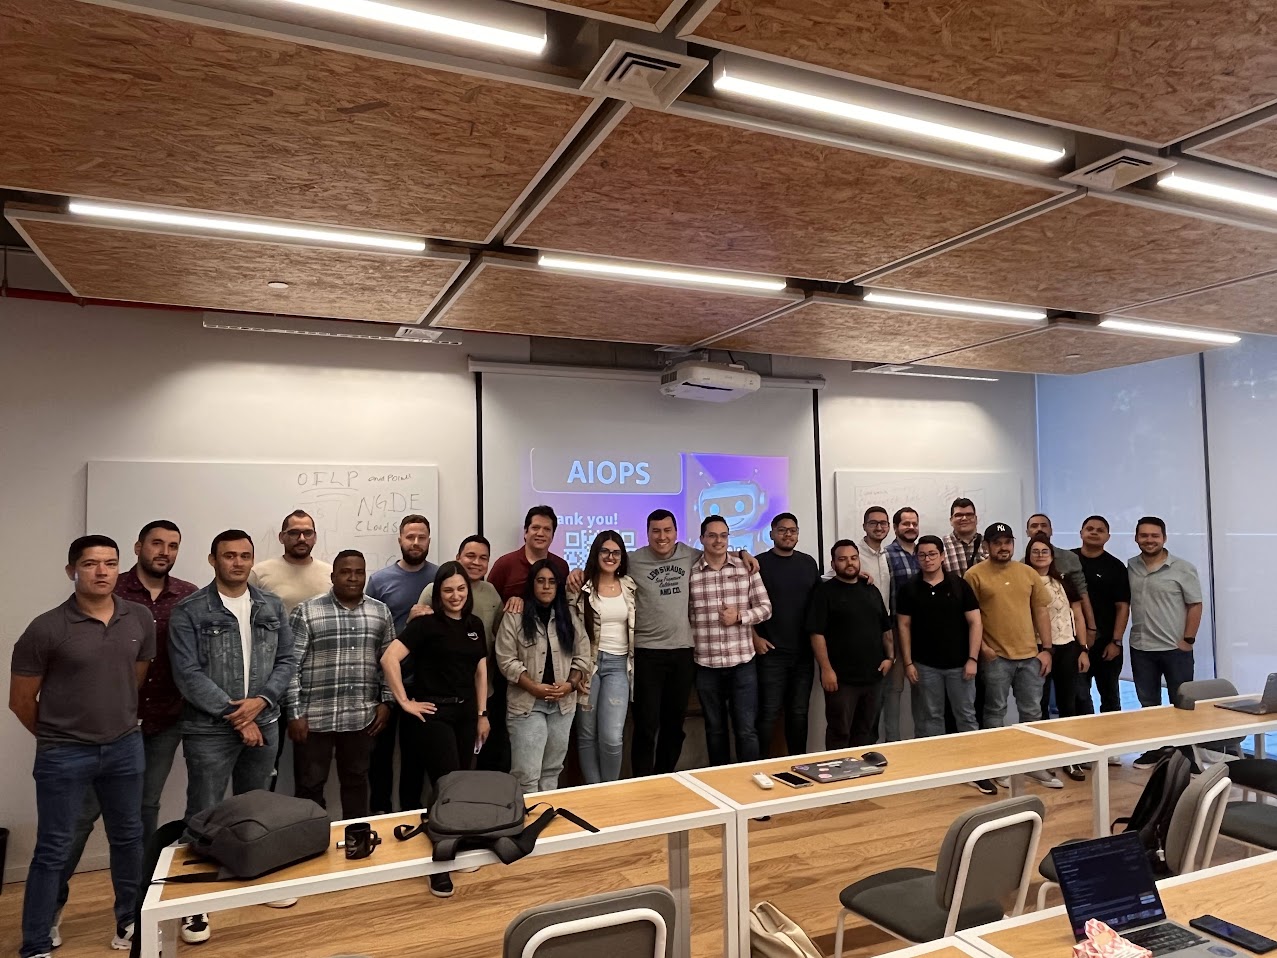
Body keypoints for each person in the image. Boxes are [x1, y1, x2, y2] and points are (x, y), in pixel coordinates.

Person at [11, 535, 156, 958]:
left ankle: (129, 920)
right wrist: (59, 738)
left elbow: (134, 678)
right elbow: (21, 701)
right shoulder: (46, 628)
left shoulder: (139, 617)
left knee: (129, 838)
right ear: (72, 570)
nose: (101, 572)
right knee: (53, 848)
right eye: (91, 564)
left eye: (110, 563)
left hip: (125, 747)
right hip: (64, 754)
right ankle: (36, 942)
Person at [54, 521, 196, 938]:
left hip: (164, 722)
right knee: (79, 819)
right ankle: (51, 906)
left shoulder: (187, 595)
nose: (164, 551)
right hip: (104, 729)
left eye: (173, 545)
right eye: (156, 543)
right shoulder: (110, 589)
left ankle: (135, 911)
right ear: (138, 547)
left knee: (142, 815)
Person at [168, 530, 299, 943]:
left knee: (256, 807)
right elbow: (187, 674)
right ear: (213, 560)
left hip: (266, 719)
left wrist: (262, 701)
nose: (238, 563)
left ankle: (258, 877)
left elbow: (286, 659)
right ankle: (193, 905)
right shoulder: (189, 610)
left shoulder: (271, 606)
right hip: (209, 729)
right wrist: (238, 717)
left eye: (245, 556)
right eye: (229, 556)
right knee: (203, 813)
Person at [382, 562, 490, 898]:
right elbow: (389, 659)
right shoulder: (425, 624)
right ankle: (440, 866)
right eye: (448, 590)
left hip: (467, 714)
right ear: (438, 593)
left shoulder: (475, 625)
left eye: (461, 589)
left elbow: (480, 671)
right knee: (447, 787)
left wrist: (482, 714)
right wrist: (405, 701)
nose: (456, 596)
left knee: (462, 783)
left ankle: (456, 843)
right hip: (434, 714)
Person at [285, 550, 394, 820]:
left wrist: (387, 702)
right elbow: (290, 666)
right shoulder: (306, 611)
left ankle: (356, 839)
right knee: (309, 786)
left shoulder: (380, 612)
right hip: (314, 719)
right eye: (345, 572)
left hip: (361, 718)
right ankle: (311, 840)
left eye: (359, 572)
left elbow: (389, 662)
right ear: (333, 576)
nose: (352, 578)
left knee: (357, 782)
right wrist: (294, 713)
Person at [964, 523, 1058, 789]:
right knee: (995, 712)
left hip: (1030, 657)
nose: (1003, 547)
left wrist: (1047, 650)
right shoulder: (974, 575)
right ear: (986, 546)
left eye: (1007, 542)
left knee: (1032, 712)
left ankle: (1034, 765)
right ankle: (1000, 766)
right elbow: (969, 618)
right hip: (996, 658)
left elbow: (1041, 612)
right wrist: (983, 648)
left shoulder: (1027, 573)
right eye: (997, 542)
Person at [365, 514, 438, 813]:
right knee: (379, 756)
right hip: (385, 683)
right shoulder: (379, 580)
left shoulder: (440, 578)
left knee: (415, 757)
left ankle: (411, 812)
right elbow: (370, 630)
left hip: (424, 684)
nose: (416, 542)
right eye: (410, 537)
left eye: (421, 537)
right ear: (400, 540)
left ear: (429, 540)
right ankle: (380, 812)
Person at [416, 535, 506, 774]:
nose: (476, 562)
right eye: (470, 556)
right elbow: (416, 632)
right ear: (458, 557)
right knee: (444, 770)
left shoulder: (491, 592)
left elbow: (498, 636)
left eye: (483, 558)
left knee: (472, 766)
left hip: (480, 694)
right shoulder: (432, 590)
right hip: (441, 696)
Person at [496, 560, 590, 791]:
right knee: (527, 775)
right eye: (540, 581)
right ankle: (526, 815)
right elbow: (506, 659)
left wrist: (571, 684)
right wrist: (533, 687)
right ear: (532, 584)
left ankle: (547, 813)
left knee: (551, 771)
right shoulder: (515, 615)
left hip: (562, 704)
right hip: (527, 704)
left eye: (551, 582)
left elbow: (583, 654)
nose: (546, 587)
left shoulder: (568, 615)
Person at [690, 516, 773, 766]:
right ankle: (719, 781)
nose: (718, 541)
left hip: (742, 663)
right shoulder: (691, 573)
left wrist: (739, 616)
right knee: (715, 730)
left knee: (746, 730)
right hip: (706, 665)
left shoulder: (745, 569)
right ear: (702, 538)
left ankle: (750, 779)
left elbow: (766, 608)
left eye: (723, 535)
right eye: (712, 535)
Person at [1127, 516, 1203, 770]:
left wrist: (1188, 640)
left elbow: (1195, 604)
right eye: (1144, 535)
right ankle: (1156, 750)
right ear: (1136, 538)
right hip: (1141, 648)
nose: (1149, 540)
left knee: (1181, 704)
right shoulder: (1130, 567)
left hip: (1175, 649)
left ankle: (1186, 757)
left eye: (1154, 535)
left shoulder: (1183, 568)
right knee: (1149, 705)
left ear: (1164, 538)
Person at [807, 540, 893, 749]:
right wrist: (826, 670)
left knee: (867, 732)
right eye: (843, 559)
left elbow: (885, 627)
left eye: (853, 558)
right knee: (840, 732)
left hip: (874, 676)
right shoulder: (824, 593)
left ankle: (863, 770)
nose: (849, 563)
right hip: (841, 680)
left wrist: (890, 657)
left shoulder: (871, 590)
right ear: (833, 563)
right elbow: (816, 634)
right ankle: (838, 770)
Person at [896, 535, 981, 737]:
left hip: (960, 665)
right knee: (931, 718)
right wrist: (908, 663)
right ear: (917, 558)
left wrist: (973, 659)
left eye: (932, 554)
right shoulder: (909, 589)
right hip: (925, 666)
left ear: (942, 556)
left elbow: (975, 622)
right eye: (922, 555)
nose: (928, 559)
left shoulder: (959, 585)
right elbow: (903, 626)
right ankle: (937, 757)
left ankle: (972, 756)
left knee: (966, 716)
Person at [569, 531, 636, 783]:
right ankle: (593, 790)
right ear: (596, 553)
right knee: (586, 734)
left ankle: (610, 791)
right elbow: (569, 629)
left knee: (612, 737)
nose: (610, 557)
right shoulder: (580, 587)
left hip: (618, 666)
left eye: (616, 552)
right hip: (588, 666)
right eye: (605, 551)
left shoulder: (629, 586)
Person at [753, 513, 820, 757]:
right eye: (782, 530)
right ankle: (759, 765)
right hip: (770, 654)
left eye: (792, 530)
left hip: (803, 654)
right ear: (771, 534)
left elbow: (821, 599)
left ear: (798, 534)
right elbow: (743, 602)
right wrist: (754, 637)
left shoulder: (808, 563)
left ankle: (798, 763)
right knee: (768, 713)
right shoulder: (758, 564)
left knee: (799, 713)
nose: (788, 534)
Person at [1026, 533, 1089, 783]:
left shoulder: (1063, 580)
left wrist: (1083, 648)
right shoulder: (1024, 580)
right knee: (1038, 705)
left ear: (1052, 556)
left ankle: (1070, 758)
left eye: (1045, 551)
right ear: (1028, 556)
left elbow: (1078, 614)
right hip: (1037, 649)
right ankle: (1044, 758)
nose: (1040, 555)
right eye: (1035, 551)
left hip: (1068, 647)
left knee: (1067, 703)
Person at [1072, 516, 1131, 736]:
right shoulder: (1068, 561)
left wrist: (1116, 641)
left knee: (1110, 696)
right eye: (1089, 528)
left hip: (1107, 644)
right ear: (1081, 533)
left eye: (1100, 530)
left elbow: (1123, 607)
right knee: (1079, 697)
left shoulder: (1115, 567)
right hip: (1076, 644)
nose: (1094, 532)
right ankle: (1085, 742)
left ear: (1108, 536)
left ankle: (1112, 743)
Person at [860, 506, 904, 742]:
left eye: (883, 523)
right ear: (864, 526)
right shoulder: (855, 554)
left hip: (886, 632)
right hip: (863, 636)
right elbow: (828, 578)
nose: (879, 527)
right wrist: (854, 574)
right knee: (868, 703)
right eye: (873, 523)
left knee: (885, 695)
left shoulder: (887, 555)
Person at [1026, 514, 1097, 647]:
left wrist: (1091, 628)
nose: (1039, 529)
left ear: (1051, 530)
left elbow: (1081, 593)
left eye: (1044, 525)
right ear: (1027, 532)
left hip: (1065, 635)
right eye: (1034, 526)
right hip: (1033, 639)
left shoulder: (1069, 558)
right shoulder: (1022, 565)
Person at [249, 510, 333, 613]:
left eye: (308, 533)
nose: (302, 539)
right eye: (294, 533)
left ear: (315, 537)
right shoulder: (258, 574)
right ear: (281, 537)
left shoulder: (331, 573)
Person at [488, 506, 570, 606]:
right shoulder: (505, 564)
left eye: (547, 529)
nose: (540, 533)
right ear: (526, 532)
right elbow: (489, 603)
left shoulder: (561, 566)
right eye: (535, 528)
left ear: (552, 535)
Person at [942, 498, 986, 574]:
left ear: (976, 519)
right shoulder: (941, 547)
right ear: (951, 520)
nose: (964, 518)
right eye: (959, 515)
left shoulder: (989, 543)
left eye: (969, 514)